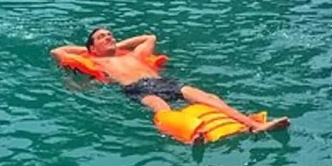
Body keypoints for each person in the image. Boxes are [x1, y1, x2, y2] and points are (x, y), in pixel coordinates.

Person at [51, 27, 290, 132]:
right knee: (160, 107)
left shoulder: (135, 55)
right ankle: (188, 135)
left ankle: (255, 125)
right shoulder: (98, 62)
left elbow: (149, 37)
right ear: (92, 47)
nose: (108, 37)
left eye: (110, 34)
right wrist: (90, 52)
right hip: (138, 88)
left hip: (165, 81)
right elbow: (58, 52)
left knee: (209, 97)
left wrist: (115, 46)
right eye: (102, 37)